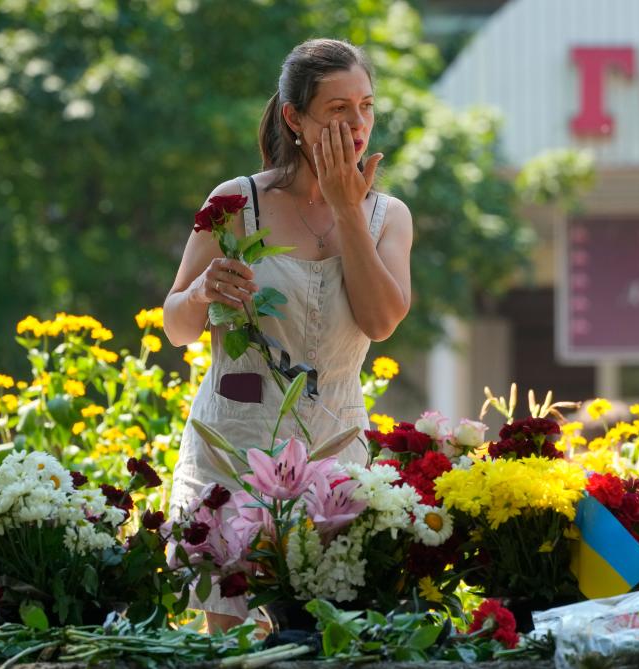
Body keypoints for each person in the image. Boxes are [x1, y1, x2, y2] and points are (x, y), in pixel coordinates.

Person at [162, 38, 413, 632]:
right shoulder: (233, 202)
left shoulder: (388, 215)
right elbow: (176, 326)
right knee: (234, 641)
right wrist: (201, 292)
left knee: (328, 633)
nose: (357, 125)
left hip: (334, 452)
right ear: (293, 117)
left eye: (367, 107)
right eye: (337, 110)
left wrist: (348, 209)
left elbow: (381, 321)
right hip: (233, 447)